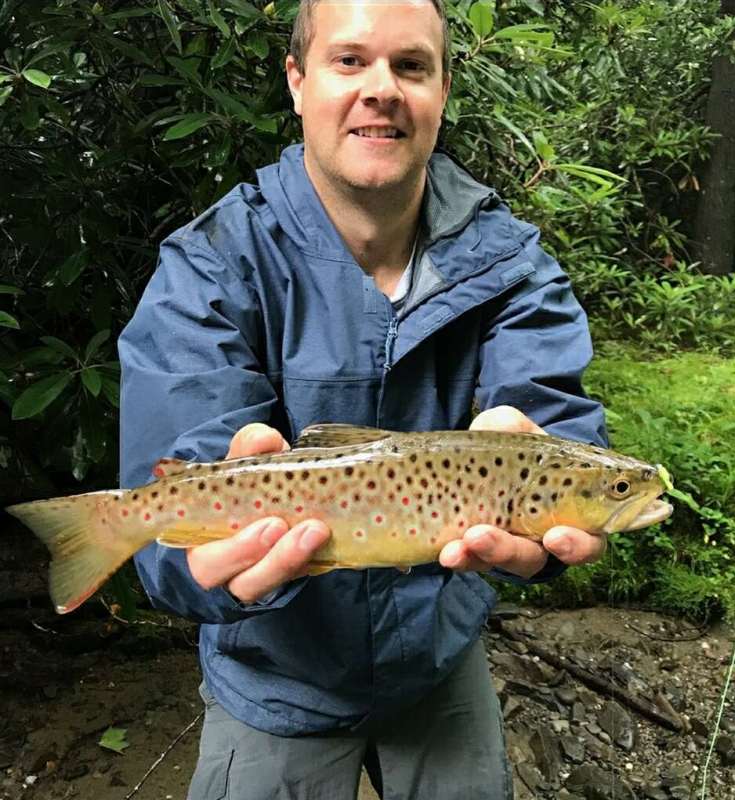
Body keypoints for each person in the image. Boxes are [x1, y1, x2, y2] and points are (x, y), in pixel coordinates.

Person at [118, 0, 608, 796]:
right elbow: (166, 514)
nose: (381, 87)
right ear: (297, 80)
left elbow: (557, 433)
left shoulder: (514, 268)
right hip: (273, 678)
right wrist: (197, 562)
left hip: (438, 665)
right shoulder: (209, 265)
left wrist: (545, 499)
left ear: (442, 90)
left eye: (410, 66)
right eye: (349, 61)